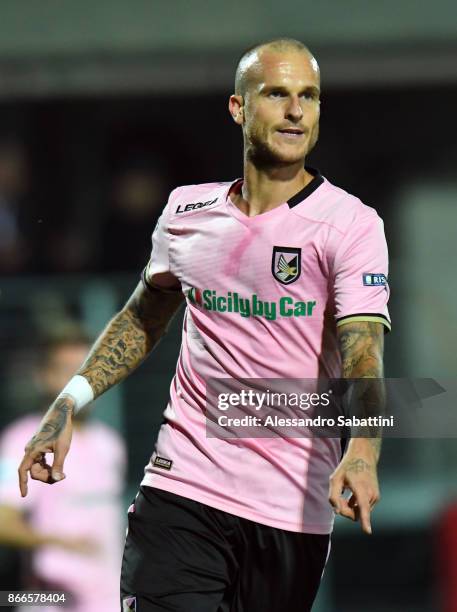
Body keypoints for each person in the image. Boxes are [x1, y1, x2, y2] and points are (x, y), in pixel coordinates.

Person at [18, 38, 391, 612]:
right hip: (182, 487)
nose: (296, 111)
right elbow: (143, 316)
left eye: (308, 97)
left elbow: (364, 356)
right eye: (277, 94)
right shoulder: (186, 213)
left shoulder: (350, 225)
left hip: (289, 506)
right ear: (239, 108)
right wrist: (68, 402)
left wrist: (363, 446)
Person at [1, 326, 126, 612]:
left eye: (87, 371)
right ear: (43, 377)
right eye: (67, 372)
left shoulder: (109, 443)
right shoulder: (21, 440)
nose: (79, 384)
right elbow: (3, 521)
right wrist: (60, 543)